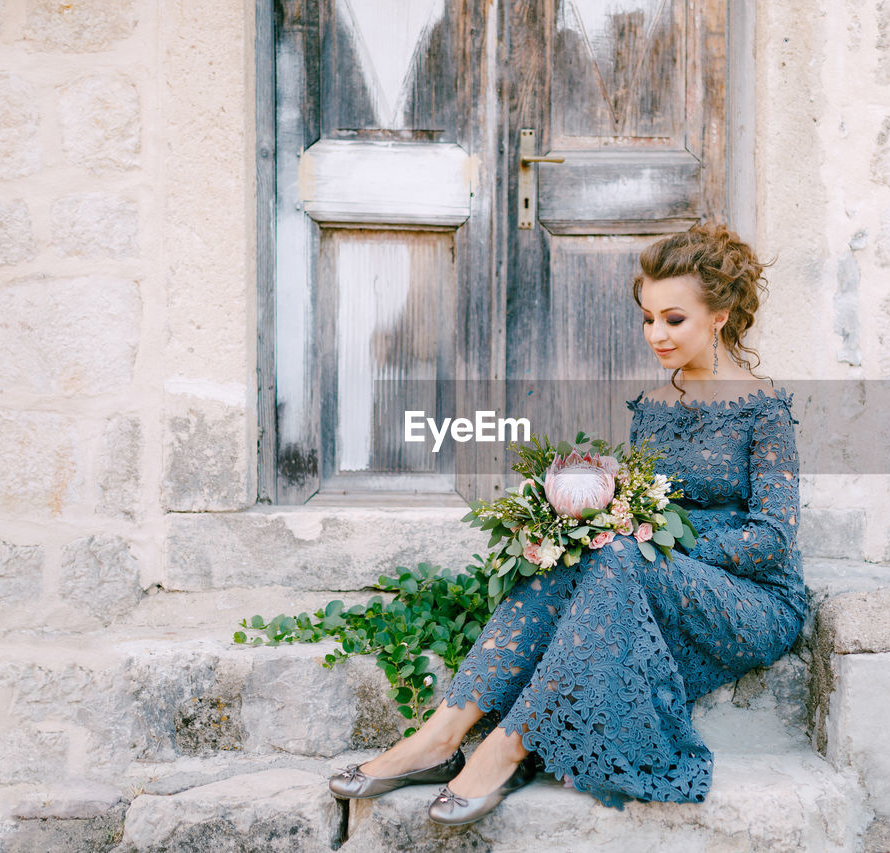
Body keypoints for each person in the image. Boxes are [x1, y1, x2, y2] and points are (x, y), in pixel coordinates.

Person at [328, 223, 811, 826]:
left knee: (615, 553)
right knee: (578, 549)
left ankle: (510, 746)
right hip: (657, 575)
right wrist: (588, 521)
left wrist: (658, 539)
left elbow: (771, 541)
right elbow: (640, 510)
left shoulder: (764, 411)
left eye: (674, 320)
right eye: (647, 318)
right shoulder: (653, 408)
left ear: (719, 316)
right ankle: (443, 733)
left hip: (750, 601)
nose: (655, 335)